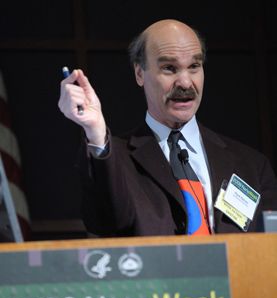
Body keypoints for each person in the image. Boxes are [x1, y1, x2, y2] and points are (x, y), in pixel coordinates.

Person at [58, 19, 277, 237]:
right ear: (139, 74)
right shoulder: (116, 160)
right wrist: (95, 131)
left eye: (194, 67)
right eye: (169, 68)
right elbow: (105, 223)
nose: (184, 82)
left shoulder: (252, 166)